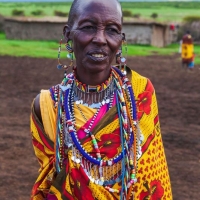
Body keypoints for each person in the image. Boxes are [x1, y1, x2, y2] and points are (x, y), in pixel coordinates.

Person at [30, 0, 173, 199]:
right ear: (67, 34)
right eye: (88, 27)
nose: (100, 39)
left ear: (121, 40)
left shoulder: (140, 93)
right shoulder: (47, 106)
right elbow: (49, 182)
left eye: (112, 30)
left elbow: (153, 178)